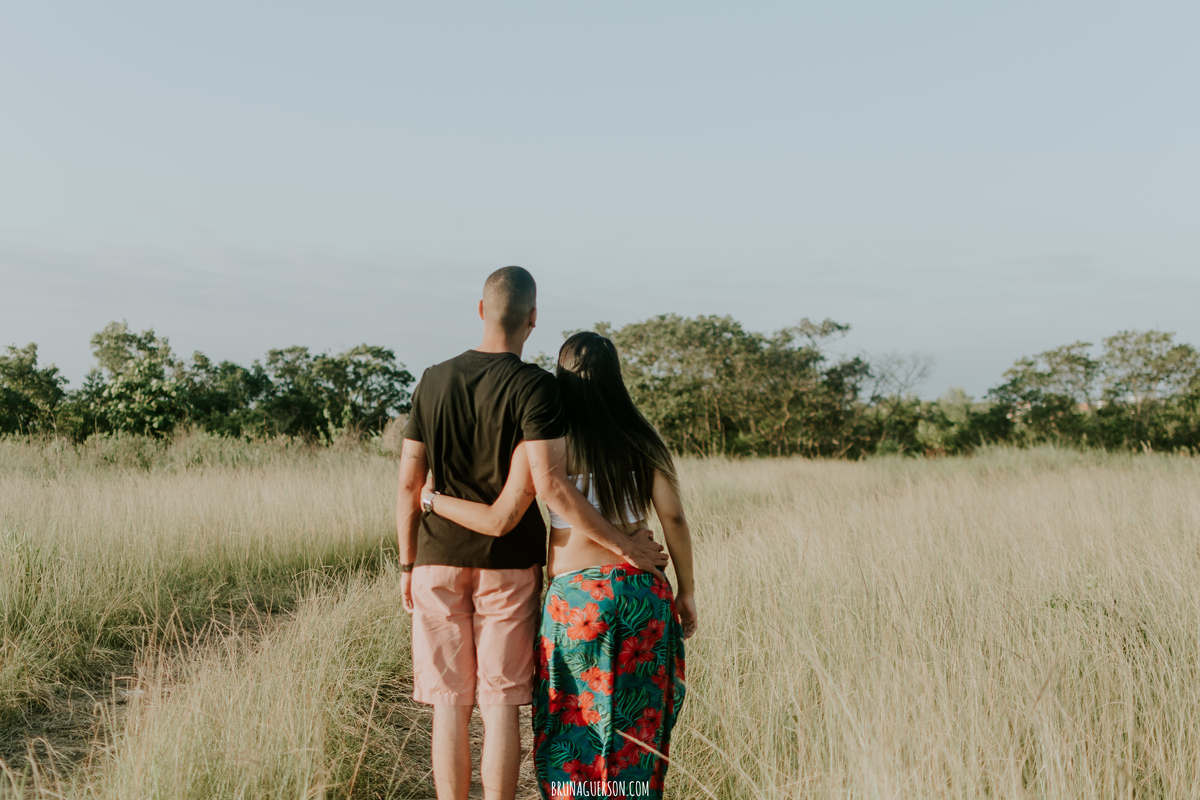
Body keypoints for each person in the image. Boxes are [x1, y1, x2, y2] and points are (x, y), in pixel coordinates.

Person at [396, 268, 669, 800]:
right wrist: (626, 544)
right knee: (500, 706)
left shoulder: (431, 379)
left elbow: (409, 482)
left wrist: (409, 564)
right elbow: (553, 486)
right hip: (508, 564)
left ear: (481, 310)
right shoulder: (536, 386)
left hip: (435, 559)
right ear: (533, 318)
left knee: (448, 708)